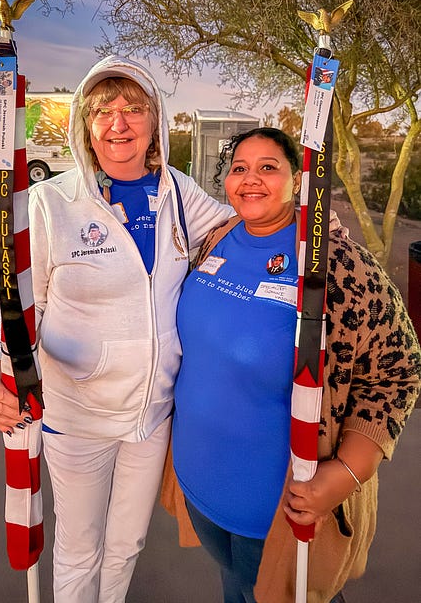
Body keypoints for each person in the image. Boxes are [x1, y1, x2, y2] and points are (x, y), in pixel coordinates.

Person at [0, 55, 234, 603]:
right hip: (78, 416)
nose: (119, 122)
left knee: (127, 544)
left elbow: (239, 227)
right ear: (85, 127)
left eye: (134, 108)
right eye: (104, 111)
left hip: (151, 415)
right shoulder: (50, 203)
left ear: (155, 121)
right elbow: (19, 304)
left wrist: (299, 221)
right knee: (78, 547)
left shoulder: (179, 193)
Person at [161, 127, 420, 603]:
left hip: (281, 507)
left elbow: (398, 368)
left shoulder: (336, 263)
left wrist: (347, 471)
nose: (251, 179)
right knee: (236, 587)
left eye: (268, 167)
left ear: (297, 179)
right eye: (239, 168)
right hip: (202, 481)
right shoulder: (216, 239)